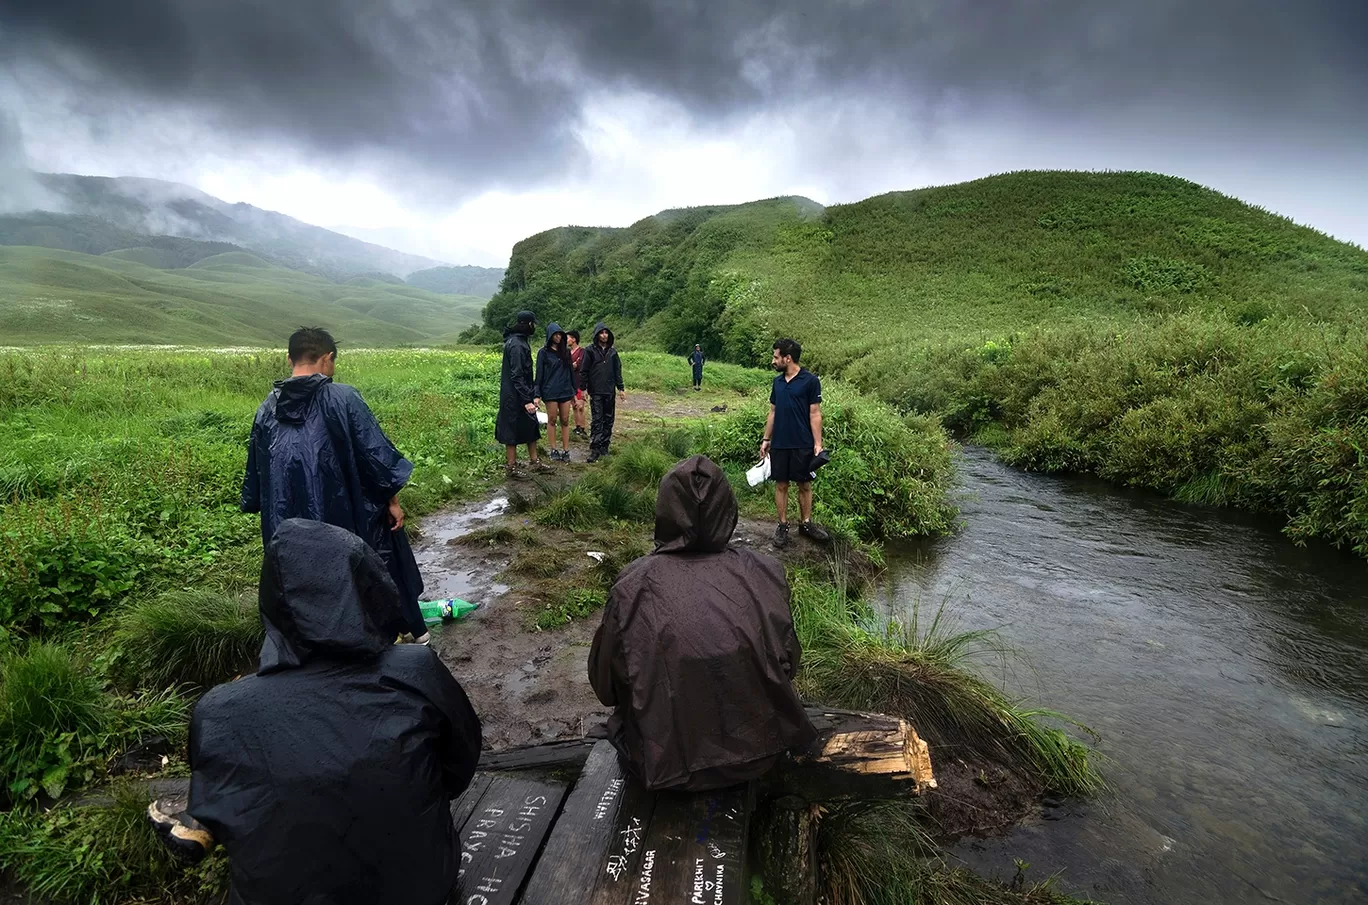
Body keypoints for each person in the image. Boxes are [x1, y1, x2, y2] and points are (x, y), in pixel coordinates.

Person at [177, 518, 482, 905]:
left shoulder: (217, 712)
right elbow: (460, 766)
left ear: (272, 600)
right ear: (367, 590)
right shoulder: (416, 670)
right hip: (420, 884)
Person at [588, 456, 816, 791]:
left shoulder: (632, 584)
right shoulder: (765, 571)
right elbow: (789, 664)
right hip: (761, 756)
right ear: (728, 508)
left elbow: (604, 687)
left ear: (664, 510)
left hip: (666, 769)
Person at [240, 326, 428, 641]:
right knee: (379, 554)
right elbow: (376, 456)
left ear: (290, 359)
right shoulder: (343, 398)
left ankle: (315, 646)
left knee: (305, 584)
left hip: (287, 526)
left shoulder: (266, 409)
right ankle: (405, 631)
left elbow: (257, 473)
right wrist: (393, 502)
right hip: (344, 519)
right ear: (327, 359)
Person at [760, 339, 831, 548]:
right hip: (780, 443)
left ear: (787, 358)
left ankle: (806, 524)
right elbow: (772, 412)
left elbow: (815, 413)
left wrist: (817, 444)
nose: (773, 360)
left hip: (802, 443)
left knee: (804, 484)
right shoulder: (777, 382)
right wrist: (766, 439)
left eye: (776, 356)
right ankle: (782, 525)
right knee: (781, 484)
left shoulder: (810, 381)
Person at [497, 310, 551, 479]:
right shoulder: (517, 345)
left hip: (520, 393)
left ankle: (534, 462)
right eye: (533, 324)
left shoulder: (518, 341)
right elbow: (517, 375)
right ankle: (511, 467)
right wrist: (526, 400)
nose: (534, 327)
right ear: (528, 324)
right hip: (514, 397)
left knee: (531, 426)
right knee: (511, 430)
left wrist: (533, 395)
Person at [581, 321, 626, 464]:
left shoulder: (613, 352)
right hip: (595, 390)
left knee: (608, 419)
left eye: (606, 333)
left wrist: (621, 388)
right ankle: (595, 448)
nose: (604, 335)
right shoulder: (590, 351)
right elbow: (584, 370)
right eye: (601, 333)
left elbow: (617, 371)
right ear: (597, 334)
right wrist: (583, 388)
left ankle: (604, 447)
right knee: (597, 419)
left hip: (609, 390)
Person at [534, 322, 577, 462]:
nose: (558, 337)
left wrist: (574, 392)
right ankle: (553, 449)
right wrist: (537, 394)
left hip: (565, 391)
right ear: (549, 336)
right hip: (550, 391)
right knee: (551, 420)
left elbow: (571, 372)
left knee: (565, 420)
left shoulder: (565, 352)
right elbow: (539, 375)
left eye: (560, 334)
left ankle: (566, 450)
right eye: (555, 334)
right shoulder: (543, 353)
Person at [567, 329, 589, 440]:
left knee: (580, 406)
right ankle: (577, 426)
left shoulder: (582, 352)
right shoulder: (567, 353)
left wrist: (571, 366)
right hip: (571, 382)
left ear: (574, 339)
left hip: (580, 382)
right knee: (574, 406)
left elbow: (578, 365)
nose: (567, 340)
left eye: (568, 338)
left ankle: (583, 428)